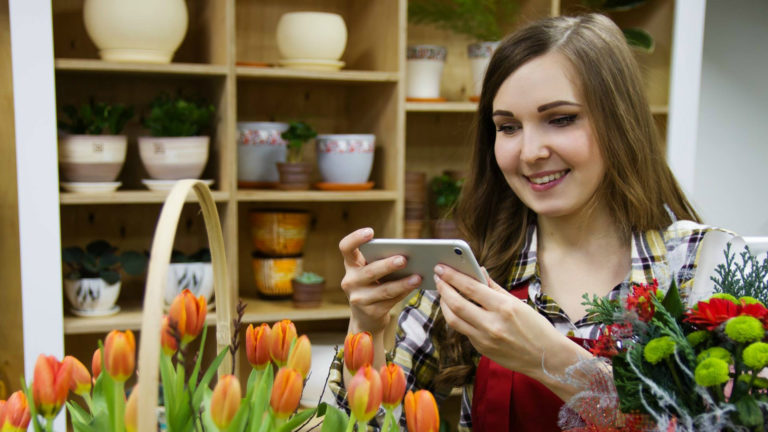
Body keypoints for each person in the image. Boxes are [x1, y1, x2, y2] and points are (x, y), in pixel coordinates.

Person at [329, 13, 737, 432]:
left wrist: (548, 358)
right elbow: (373, 423)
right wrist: (367, 326)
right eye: (508, 127)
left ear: (620, 121)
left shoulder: (701, 265)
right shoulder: (475, 270)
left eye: (561, 119)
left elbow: (725, 423)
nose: (529, 152)